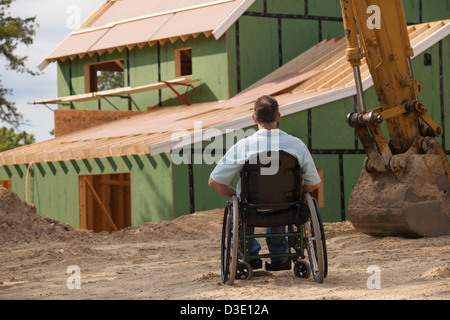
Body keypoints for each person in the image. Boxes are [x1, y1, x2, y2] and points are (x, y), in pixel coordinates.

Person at [208, 95, 321, 271]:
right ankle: (280, 257)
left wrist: (237, 196)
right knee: (278, 202)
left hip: (251, 207)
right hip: (287, 206)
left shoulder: (243, 146)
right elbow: (314, 183)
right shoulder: (296, 145)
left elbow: (214, 182)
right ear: (279, 116)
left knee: (244, 204)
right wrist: (296, 193)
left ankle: (250, 255)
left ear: (254, 118)